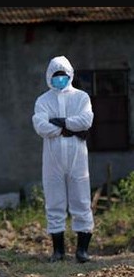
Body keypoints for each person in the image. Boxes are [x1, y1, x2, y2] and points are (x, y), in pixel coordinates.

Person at [32, 55, 95, 263]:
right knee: (54, 201)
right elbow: (40, 126)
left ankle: (82, 251)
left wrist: (59, 123)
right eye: (56, 75)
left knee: (81, 200)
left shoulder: (81, 98)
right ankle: (58, 251)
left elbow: (86, 121)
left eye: (63, 75)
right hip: (53, 160)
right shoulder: (43, 100)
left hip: (78, 158)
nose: (60, 78)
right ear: (49, 76)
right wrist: (68, 127)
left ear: (70, 75)